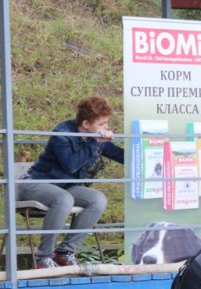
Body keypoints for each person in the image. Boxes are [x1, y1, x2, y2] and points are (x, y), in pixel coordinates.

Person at [19, 96, 124, 269]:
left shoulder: (93, 136)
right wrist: (95, 143)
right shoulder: (62, 134)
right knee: (64, 199)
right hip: (36, 184)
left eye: (106, 123)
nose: (106, 128)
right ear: (86, 124)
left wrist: (146, 155)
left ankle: (65, 252)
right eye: (102, 124)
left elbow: (118, 154)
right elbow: (71, 165)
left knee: (97, 199)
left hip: (64, 187)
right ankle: (43, 257)